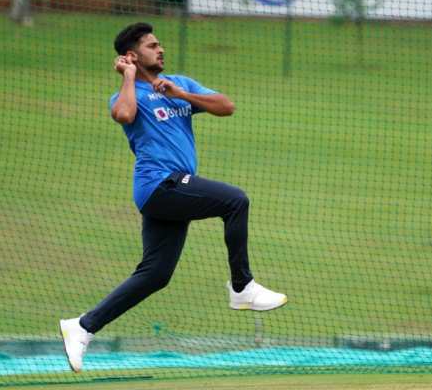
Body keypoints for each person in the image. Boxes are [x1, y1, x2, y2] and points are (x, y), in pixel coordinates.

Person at [59, 22, 287, 373]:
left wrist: (182, 95)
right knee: (235, 200)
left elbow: (227, 106)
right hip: (159, 184)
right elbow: (123, 115)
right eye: (152, 45)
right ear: (132, 55)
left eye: (160, 43)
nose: (161, 49)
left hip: (172, 191)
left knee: (155, 275)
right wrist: (128, 77)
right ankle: (242, 287)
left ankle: (83, 326)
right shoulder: (128, 94)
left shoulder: (179, 85)